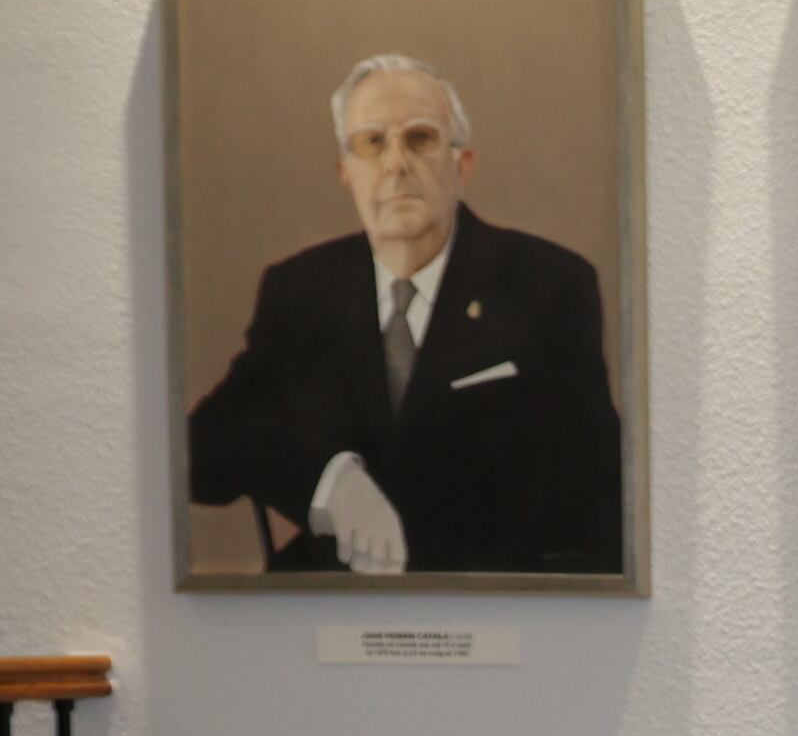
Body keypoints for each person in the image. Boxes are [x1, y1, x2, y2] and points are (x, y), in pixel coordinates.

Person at [187, 55, 624, 576]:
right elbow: (205, 451)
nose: (395, 163)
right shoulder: (301, 292)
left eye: (420, 138)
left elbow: (597, 489)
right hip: (326, 613)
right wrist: (329, 483)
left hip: (492, 602)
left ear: (463, 165)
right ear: (345, 173)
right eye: (372, 143)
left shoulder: (549, 286)